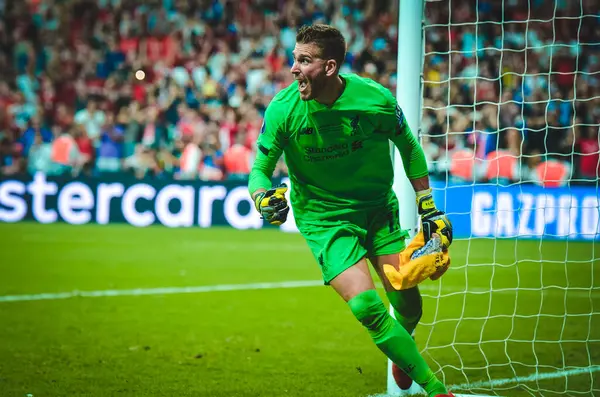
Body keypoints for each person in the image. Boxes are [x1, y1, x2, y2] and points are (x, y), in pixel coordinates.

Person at [248, 24, 453, 396]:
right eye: (294, 59)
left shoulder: (374, 99)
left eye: (304, 60)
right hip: (324, 220)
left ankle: (401, 348)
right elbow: (260, 170)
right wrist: (262, 197)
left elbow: (407, 144)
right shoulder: (283, 109)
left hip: (377, 211)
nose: (293, 69)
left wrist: (428, 205)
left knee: (408, 303)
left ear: (329, 67)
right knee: (367, 309)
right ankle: (436, 389)